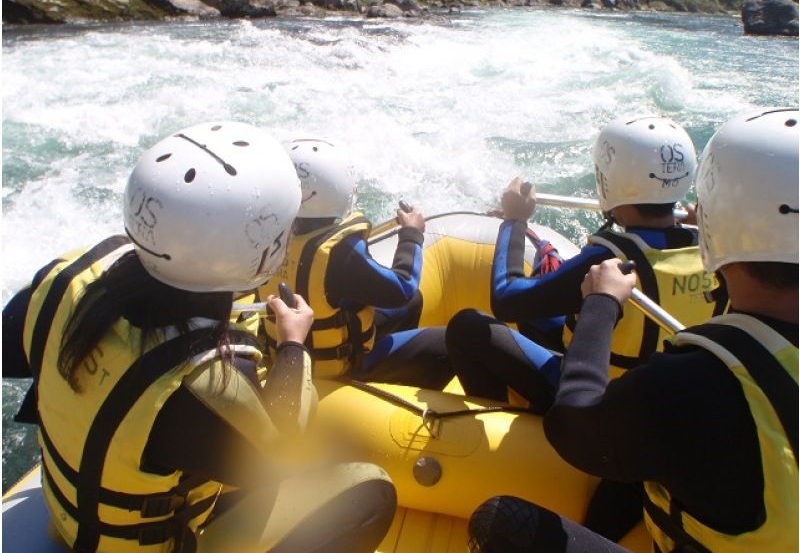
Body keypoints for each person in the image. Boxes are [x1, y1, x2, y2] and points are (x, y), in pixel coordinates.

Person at [2, 122, 397, 552]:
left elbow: (11, 357)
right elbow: (281, 455)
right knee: (370, 489)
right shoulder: (207, 380)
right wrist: (292, 345)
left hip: (69, 516)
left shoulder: (62, 279)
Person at [468, 107, 798, 552]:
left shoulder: (683, 384)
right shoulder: (701, 288)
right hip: (669, 431)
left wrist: (598, 299)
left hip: (617, 409)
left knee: (471, 331)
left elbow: (570, 424)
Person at [446, 115, 720, 414]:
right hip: (670, 394)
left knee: (467, 327)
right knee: (535, 318)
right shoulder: (716, 250)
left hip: (602, 404)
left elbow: (506, 299)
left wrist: (514, 221)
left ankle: (496, 420)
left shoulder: (609, 259)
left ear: (608, 182)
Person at [258, 138, 452, 389]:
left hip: (289, 348)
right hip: (341, 365)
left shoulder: (265, 236)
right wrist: (411, 234)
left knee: (414, 303)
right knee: (450, 340)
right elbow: (403, 287)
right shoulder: (340, 252)